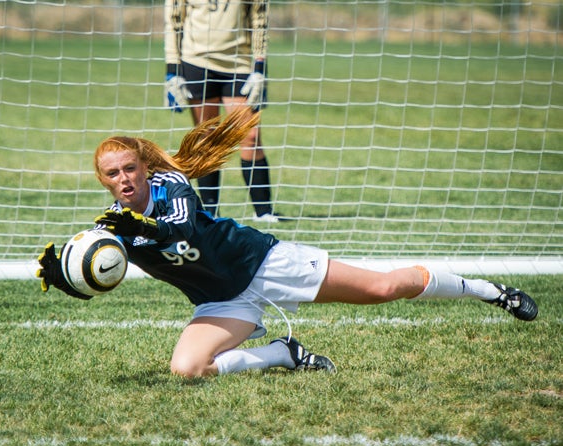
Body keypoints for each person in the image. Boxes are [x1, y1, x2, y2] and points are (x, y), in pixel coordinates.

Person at [36, 109, 538, 379]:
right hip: (222, 299)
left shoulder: (173, 187)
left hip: (265, 263)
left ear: (144, 166)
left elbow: (182, 228)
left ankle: (489, 291)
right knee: (188, 369)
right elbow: (98, 266)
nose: (124, 178)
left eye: (130, 168)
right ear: (102, 181)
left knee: (385, 288)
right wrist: (67, 273)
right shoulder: (113, 227)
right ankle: (283, 354)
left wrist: (150, 230)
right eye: (112, 174)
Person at [163, 0, 280, 222]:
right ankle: (210, 212)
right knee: (207, 138)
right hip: (195, 61)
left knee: (250, 136)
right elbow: (173, 22)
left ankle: (263, 212)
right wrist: (172, 69)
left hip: (240, 63)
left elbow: (260, 19)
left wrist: (260, 67)